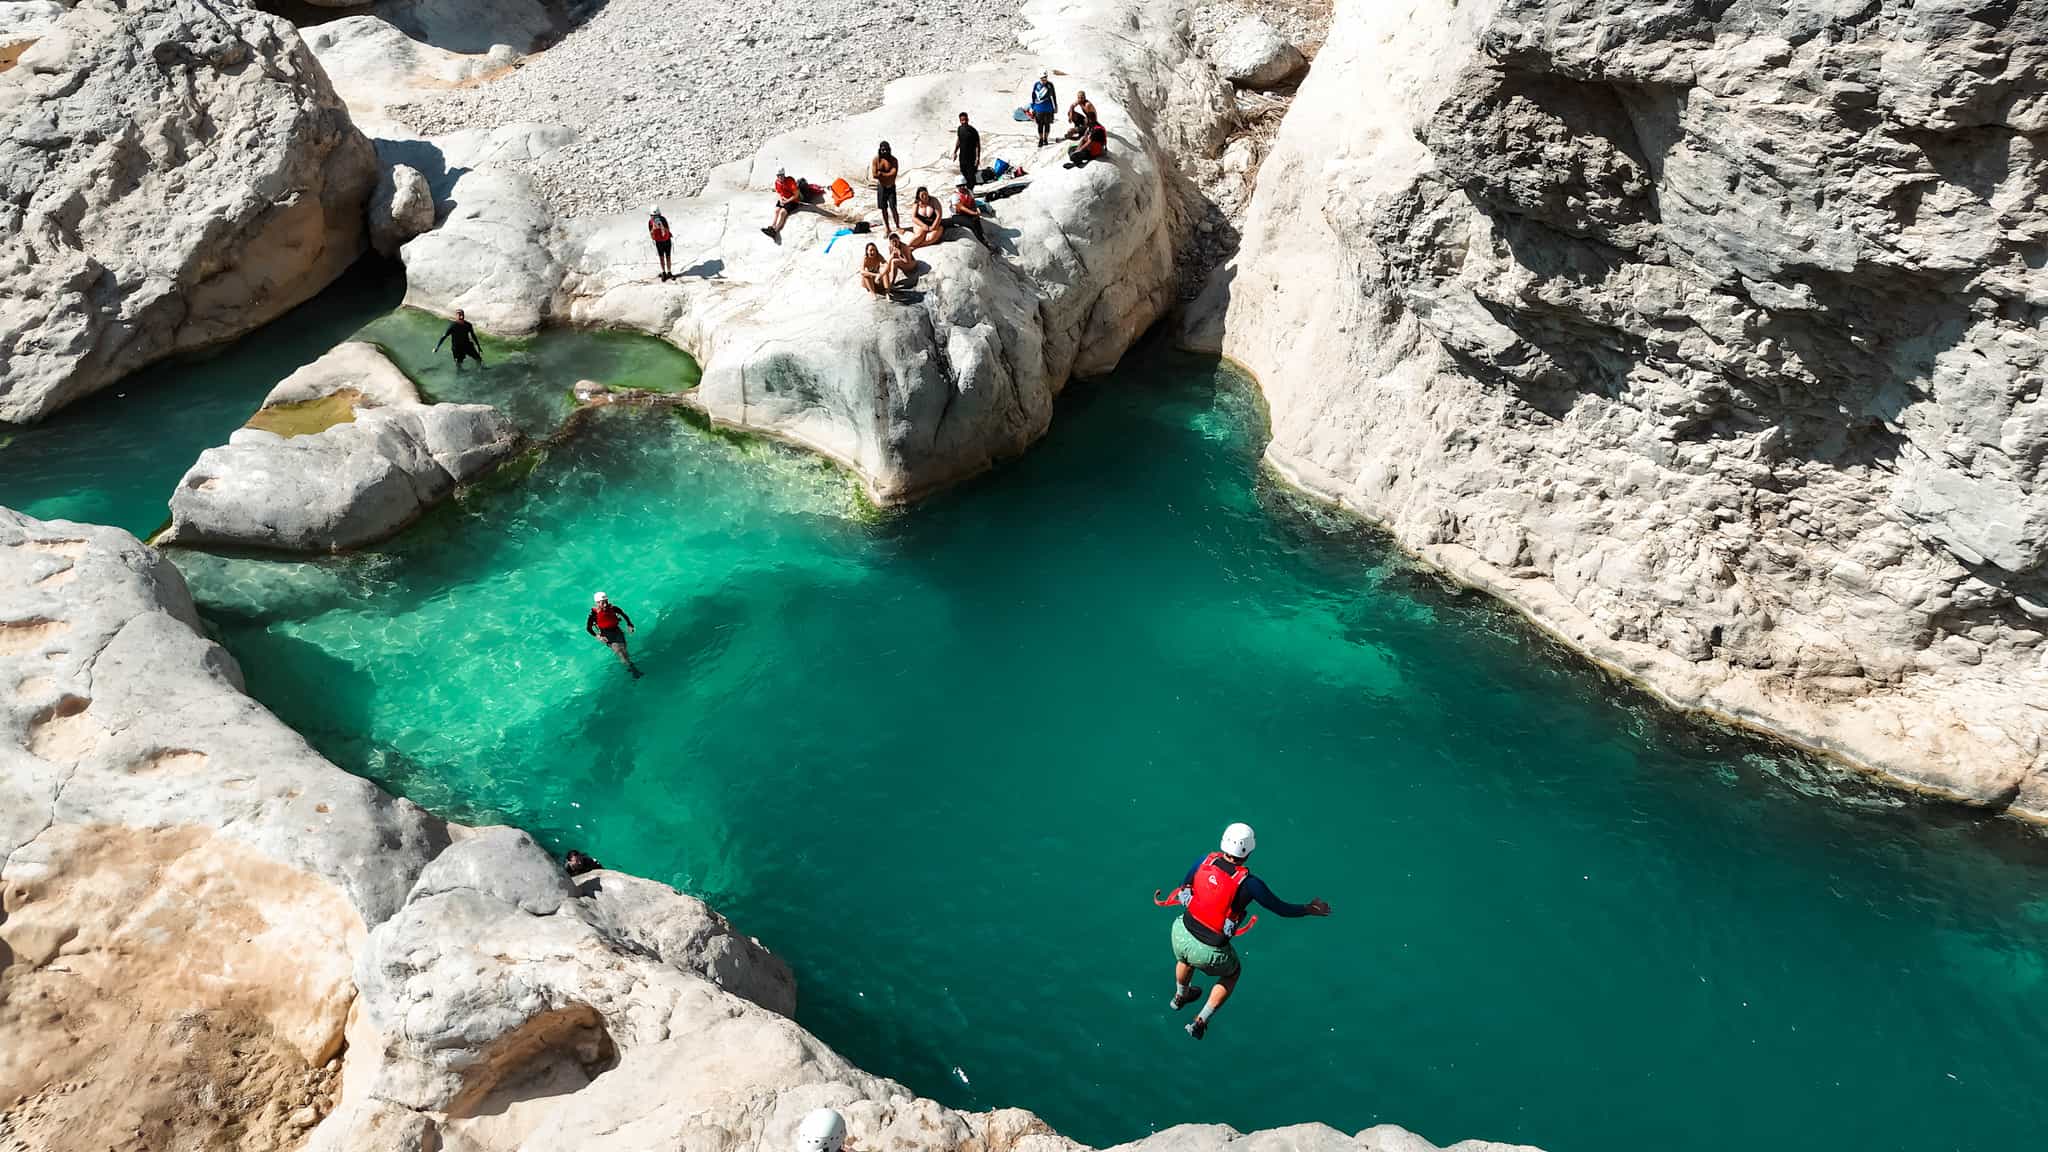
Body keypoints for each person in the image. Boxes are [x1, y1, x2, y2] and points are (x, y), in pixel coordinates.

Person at [1159, 822, 1330, 1040]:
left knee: (1185, 957)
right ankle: (1201, 1020)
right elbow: (1281, 908)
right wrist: (1309, 909)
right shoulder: (1250, 884)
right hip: (1210, 950)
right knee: (1233, 973)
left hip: (1180, 933)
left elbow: (1185, 885)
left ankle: (1180, 997)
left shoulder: (1204, 860)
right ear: (1249, 851)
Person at [585, 591, 641, 678]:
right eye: (602, 602)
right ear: (597, 603)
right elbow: (588, 628)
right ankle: (633, 669)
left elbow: (624, 615)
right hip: (606, 635)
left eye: (606, 601)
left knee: (624, 650)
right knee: (619, 652)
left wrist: (630, 625)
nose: (605, 604)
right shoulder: (593, 615)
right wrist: (598, 636)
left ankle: (630, 666)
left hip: (617, 631)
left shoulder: (613, 608)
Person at [870, 142, 902, 233]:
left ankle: (898, 226)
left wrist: (882, 174)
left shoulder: (893, 160)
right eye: (883, 150)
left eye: (886, 150)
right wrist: (886, 175)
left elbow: (893, 173)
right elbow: (874, 175)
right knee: (884, 208)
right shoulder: (876, 160)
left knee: (893, 207)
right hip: (882, 187)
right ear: (880, 150)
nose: (885, 152)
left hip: (891, 186)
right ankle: (887, 228)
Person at [764, 168, 802, 242]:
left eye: (781, 175)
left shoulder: (790, 181)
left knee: (782, 212)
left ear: (784, 175)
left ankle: (775, 231)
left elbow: (796, 194)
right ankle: (772, 226)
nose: (780, 177)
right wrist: (781, 199)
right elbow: (778, 192)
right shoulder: (777, 182)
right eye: (779, 176)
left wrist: (787, 201)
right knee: (776, 210)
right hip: (784, 199)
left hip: (793, 201)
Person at [948, 183, 988, 248]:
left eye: (963, 185)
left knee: (977, 220)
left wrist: (976, 210)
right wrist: (973, 213)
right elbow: (960, 207)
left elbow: (973, 202)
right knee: (971, 223)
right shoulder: (955, 195)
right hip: (958, 214)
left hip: (967, 212)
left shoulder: (968, 191)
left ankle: (982, 237)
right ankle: (981, 241)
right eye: (960, 186)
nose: (962, 187)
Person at [951, 112, 980, 188]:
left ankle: (971, 192)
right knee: (963, 172)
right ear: (960, 121)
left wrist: (977, 158)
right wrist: (955, 152)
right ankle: (968, 190)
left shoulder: (973, 131)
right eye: (962, 120)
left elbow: (977, 145)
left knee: (971, 176)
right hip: (962, 157)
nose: (964, 122)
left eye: (965, 120)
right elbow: (959, 141)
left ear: (968, 119)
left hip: (971, 158)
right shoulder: (960, 129)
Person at [1028, 72, 1058, 147]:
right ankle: (1041, 139)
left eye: (1045, 78)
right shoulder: (1036, 85)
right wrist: (1033, 106)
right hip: (1038, 108)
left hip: (1048, 108)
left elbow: (1053, 96)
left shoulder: (1050, 85)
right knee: (1040, 124)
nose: (1044, 80)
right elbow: (1033, 96)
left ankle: (1046, 139)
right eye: (1043, 78)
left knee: (1047, 124)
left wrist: (1055, 106)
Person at [649, 206, 674, 279]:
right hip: (659, 242)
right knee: (661, 257)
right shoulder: (650, 222)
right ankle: (664, 272)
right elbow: (651, 235)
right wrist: (653, 229)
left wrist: (662, 227)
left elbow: (667, 230)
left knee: (668, 256)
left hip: (666, 240)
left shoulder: (663, 219)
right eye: (653, 216)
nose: (655, 218)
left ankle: (669, 272)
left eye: (657, 216)